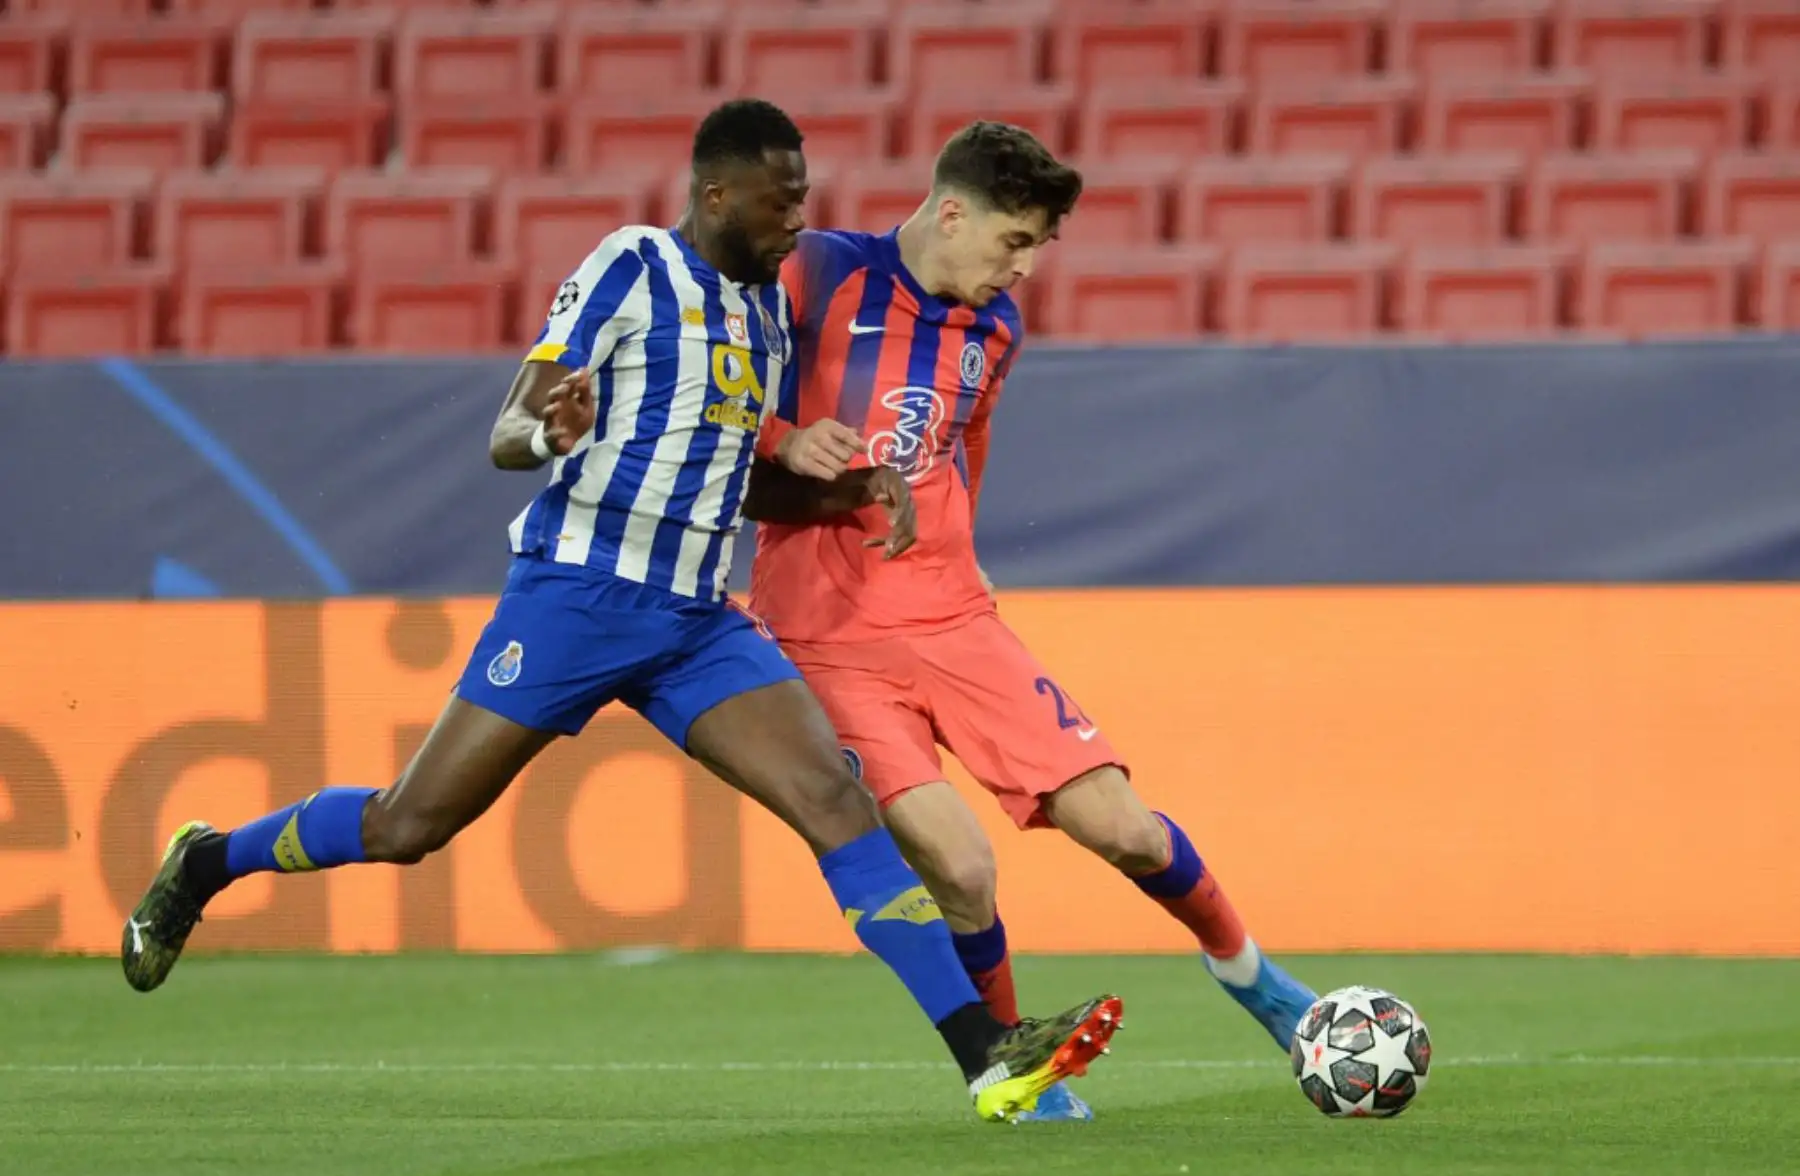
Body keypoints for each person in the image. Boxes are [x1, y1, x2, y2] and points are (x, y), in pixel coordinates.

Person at [119, 100, 1122, 1124]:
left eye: (802, 204)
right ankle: (208, 858)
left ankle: (984, 1055)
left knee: (837, 798)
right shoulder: (631, 267)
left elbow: (742, 480)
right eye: (780, 205)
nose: (794, 225)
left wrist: (846, 489)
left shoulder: (765, 315)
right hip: (578, 597)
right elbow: (514, 426)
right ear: (717, 194)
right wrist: (546, 429)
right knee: (408, 822)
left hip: (694, 619)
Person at [744, 121, 1316, 1122]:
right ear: (951, 211)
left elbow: (964, 447)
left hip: (956, 616)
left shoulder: (994, 330)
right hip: (825, 637)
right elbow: (706, 396)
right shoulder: (818, 272)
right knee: (961, 866)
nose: (1022, 268)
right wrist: (788, 440)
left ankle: (1254, 977)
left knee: (1128, 830)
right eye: (1014, 241)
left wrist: (958, 561)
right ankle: (1021, 1071)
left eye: (1037, 250)